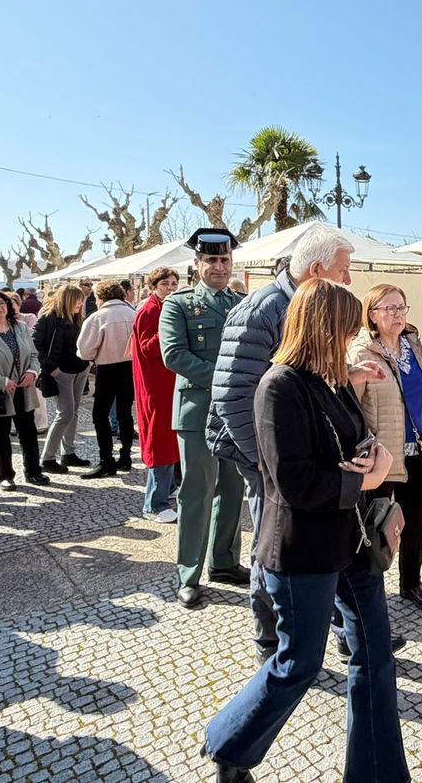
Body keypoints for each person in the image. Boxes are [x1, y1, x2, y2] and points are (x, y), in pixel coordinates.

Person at [202, 278, 406, 783]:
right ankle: (229, 745)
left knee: (375, 655)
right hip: (300, 548)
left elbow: (355, 444)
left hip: (352, 542)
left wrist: (380, 482)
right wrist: (365, 482)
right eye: (343, 329)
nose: (350, 338)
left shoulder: (332, 377)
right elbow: (294, 482)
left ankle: (376, 774)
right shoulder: (278, 386)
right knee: (298, 662)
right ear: (321, 328)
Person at [209, 225, 359, 660]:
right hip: (264, 457)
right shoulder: (263, 310)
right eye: (343, 271)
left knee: (317, 539)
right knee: (271, 546)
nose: (348, 280)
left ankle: (343, 630)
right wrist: (266, 464)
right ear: (316, 271)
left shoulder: (304, 307)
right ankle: (272, 643)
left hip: (297, 456)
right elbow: (232, 395)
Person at [161, 231, 248, 609]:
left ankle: (225, 561)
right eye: (211, 261)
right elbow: (174, 355)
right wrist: (226, 378)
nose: (219, 267)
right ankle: (188, 573)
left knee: (232, 489)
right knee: (197, 492)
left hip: (236, 411)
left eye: (224, 260)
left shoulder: (241, 302)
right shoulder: (179, 305)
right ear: (197, 265)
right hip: (198, 411)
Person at [349, 283, 422, 613]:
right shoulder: (361, 353)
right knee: (377, 526)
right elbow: (353, 409)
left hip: (419, 452)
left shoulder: (414, 345)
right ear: (371, 314)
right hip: (383, 458)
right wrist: (366, 450)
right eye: (389, 309)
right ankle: (372, 594)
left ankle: (411, 582)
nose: (397, 314)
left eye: (401, 308)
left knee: (416, 520)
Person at [0, 290, 49, 489]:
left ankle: (33, 471)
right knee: (1, 435)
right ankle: (4, 475)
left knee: (28, 433)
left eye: (1, 303)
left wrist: (32, 372)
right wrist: (1, 381)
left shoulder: (20, 328)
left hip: (23, 388)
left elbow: (33, 354)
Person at [133, 266, 183, 522]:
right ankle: (154, 504)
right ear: (154, 287)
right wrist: (168, 329)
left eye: (174, 283)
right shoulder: (151, 310)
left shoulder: (166, 308)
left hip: (169, 383)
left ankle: (167, 492)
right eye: (165, 283)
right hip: (156, 387)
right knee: (160, 441)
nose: (171, 288)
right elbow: (146, 348)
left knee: (170, 440)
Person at [77, 280, 136, 478]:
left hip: (108, 368)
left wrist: (95, 355)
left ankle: (106, 460)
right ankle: (125, 457)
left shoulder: (98, 317)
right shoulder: (133, 313)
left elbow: (84, 351)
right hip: (130, 368)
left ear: (99, 297)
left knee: (100, 415)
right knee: (125, 413)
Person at [35, 283, 92, 475]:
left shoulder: (76, 318)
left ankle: (68, 452)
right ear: (68, 300)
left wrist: (89, 362)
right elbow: (35, 347)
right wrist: (53, 370)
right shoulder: (48, 318)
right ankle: (48, 457)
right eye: (78, 300)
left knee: (73, 412)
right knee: (65, 413)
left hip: (79, 369)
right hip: (62, 372)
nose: (80, 304)